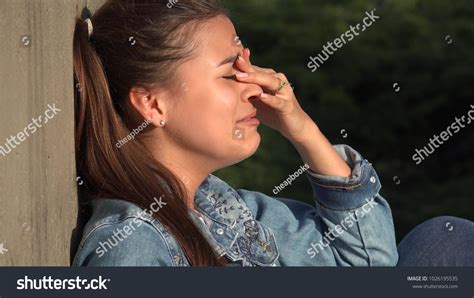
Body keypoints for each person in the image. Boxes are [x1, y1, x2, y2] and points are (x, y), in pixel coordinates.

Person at [71, 0, 471, 267]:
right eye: (230, 74)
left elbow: (368, 264)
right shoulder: (132, 242)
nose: (256, 87)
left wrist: (302, 128)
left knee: (446, 239)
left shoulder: (224, 209)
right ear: (154, 105)